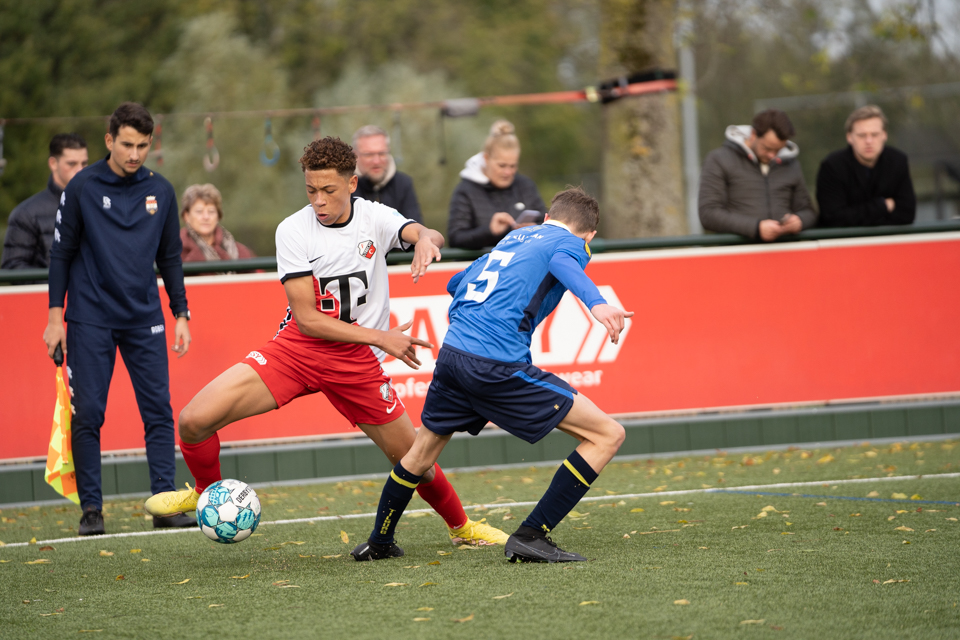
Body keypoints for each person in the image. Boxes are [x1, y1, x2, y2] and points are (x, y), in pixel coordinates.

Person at [144, 136, 507, 548]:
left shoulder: (374, 217)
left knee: (417, 462)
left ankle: (462, 529)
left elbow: (424, 231)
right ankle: (205, 491)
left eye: (329, 190)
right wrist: (381, 337)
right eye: (311, 190)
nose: (319, 200)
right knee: (193, 421)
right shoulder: (293, 230)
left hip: (356, 363)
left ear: (352, 184)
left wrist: (426, 239)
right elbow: (309, 319)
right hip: (299, 349)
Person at [352, 187, 630, 563]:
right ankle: (532, 534)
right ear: (589, 236)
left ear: (547, 217)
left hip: (453, 355)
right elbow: (566, 265)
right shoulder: (571, 244)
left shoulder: (516, 236)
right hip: (495, 364)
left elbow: (457, 283)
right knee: (608, 434)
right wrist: (597, 304)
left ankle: (379, 541)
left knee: (420, 453)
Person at [42, 102, 195, 536]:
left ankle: (164, 505)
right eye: (126, 144)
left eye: (142, 145)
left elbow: (170, 257)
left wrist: (180, 311)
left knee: (158, 411)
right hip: (89, 317)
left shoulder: (161, 191)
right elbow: (61, 254)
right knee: (88, 413)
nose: (134, 153)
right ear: (109, 141)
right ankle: (92, 509)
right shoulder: (82, 187)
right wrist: (56, 319)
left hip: (144, 316)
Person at [698, 109, 817, 241]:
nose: (772, 155)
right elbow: (708, 214)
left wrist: (799, 221)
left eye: (778, 150)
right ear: (753, 135)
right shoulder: (719, 159)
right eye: (767, 148)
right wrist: (755, 228)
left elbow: (809, 212)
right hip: (738, 255)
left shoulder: (791, 163)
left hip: (786, 254)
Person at [447, 120, 546, 250]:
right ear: (486, 159)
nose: (508, 172)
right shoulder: (465, 190)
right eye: (502, 165)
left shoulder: (526, 186)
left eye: (513, 166)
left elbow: (547, 222)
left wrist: (535, 229)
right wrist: (489, 231)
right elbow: (455, 238)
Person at [816, 105, 916, 227]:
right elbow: (833, 218)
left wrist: (857, 214)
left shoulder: (898, 161)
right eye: (862, 135)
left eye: (874, 134)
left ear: (884, 135)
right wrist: (882, 206)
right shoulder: (832, 166)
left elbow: (907, 214)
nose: (869, 141)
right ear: (849, 137)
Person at [2, 134, 88, 269]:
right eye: (72, 164)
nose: (80, 170)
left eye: (84, 163)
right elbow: (13, 267)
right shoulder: (26, 214)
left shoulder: (100, 206)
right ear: (53, 163)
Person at [352, 125, 422, 223]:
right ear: (355, 156)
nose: (376, 161)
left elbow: (416, 227)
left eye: (382, 153)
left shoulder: (403, 184)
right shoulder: (345, 186)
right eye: (369, 155)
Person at [179, 183, 255, 262]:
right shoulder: (173, 252)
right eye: (199, 211)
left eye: (211, 211)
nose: (206, 217)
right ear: (186, 216)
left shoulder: (241, 253)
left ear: (218, 216)